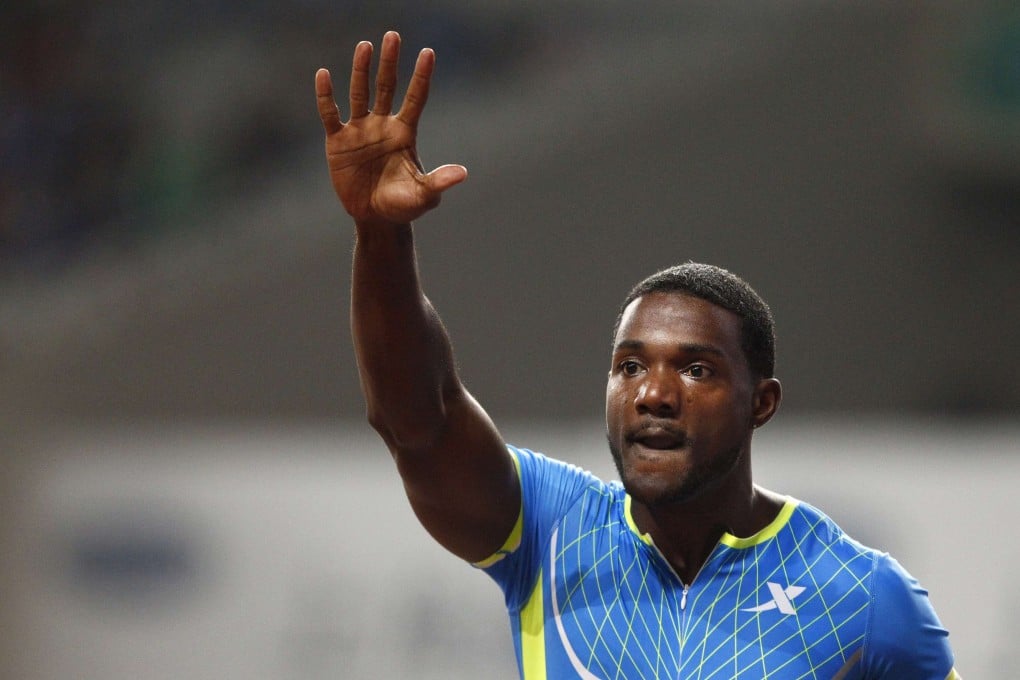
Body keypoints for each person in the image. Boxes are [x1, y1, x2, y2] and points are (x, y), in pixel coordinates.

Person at [315, 31, 961, 679]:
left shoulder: (864, 598)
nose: (653, 393)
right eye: (630, 366)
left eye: (696, 368)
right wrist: (380, 236)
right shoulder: (548, 528)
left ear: (760, 402)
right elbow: (419, 420)